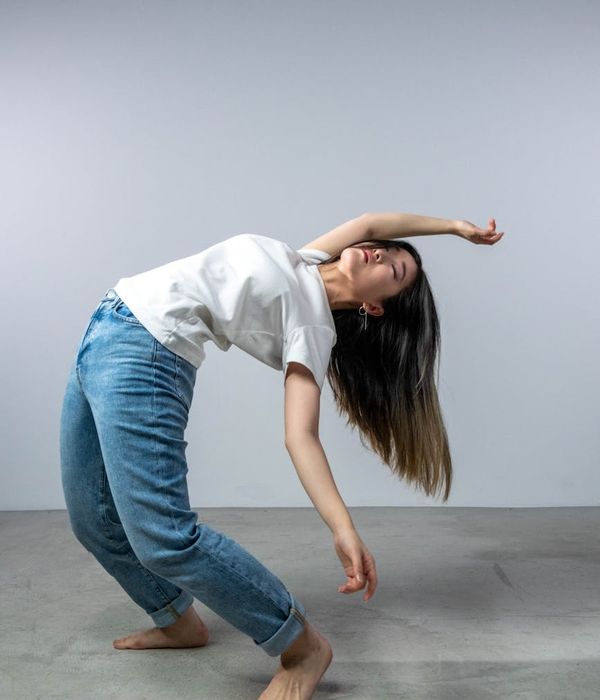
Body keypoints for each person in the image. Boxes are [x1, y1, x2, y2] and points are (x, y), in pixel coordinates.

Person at [59, 211, 503, 698]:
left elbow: (301, 437)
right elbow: (375, 218)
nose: (381, 253)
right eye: (386, 248)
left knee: (164, 536)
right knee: (94, 520)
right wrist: (456, 228)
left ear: (374, 307)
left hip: (145, 354)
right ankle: (175, 619)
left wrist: (343, 529)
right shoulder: (304, 261)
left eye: (394, 270)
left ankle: (302, 647)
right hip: (104, 330)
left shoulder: (313, 327)